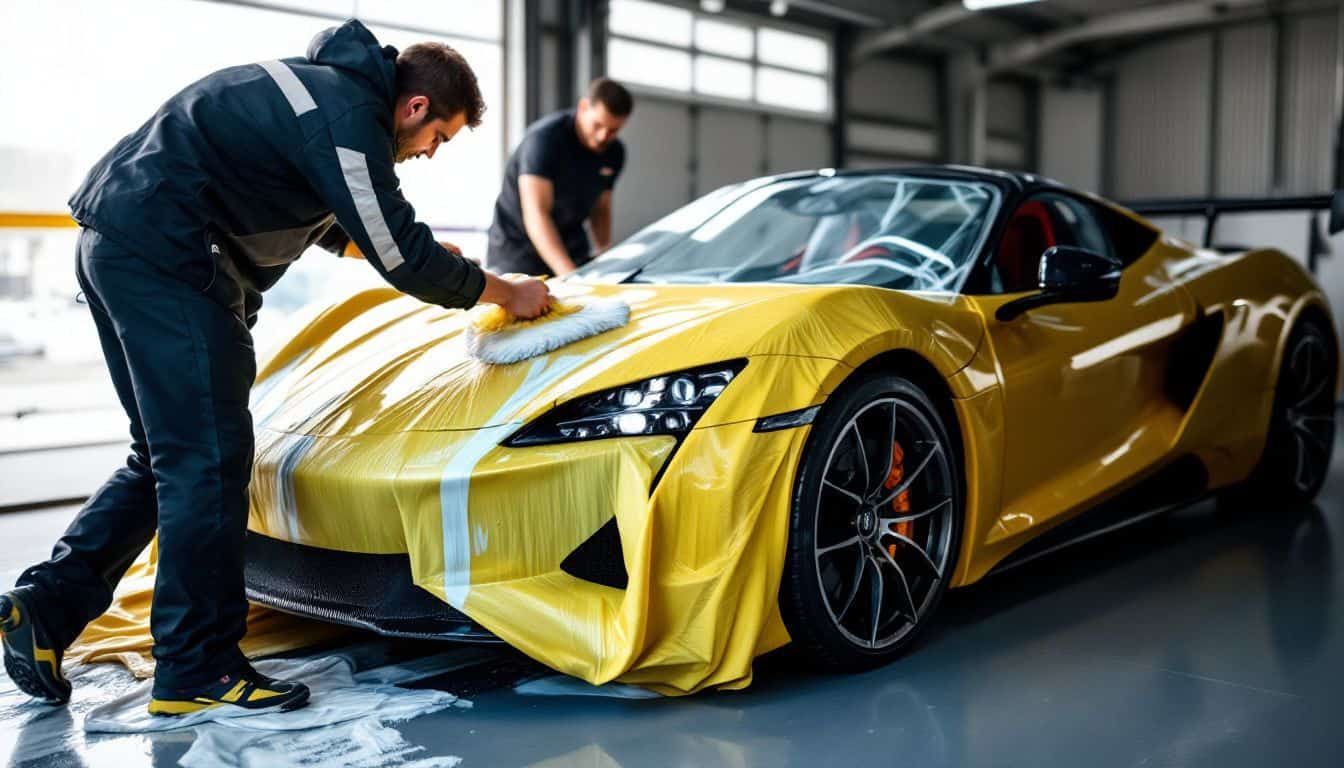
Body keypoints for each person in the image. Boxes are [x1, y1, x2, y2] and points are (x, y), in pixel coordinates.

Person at [0, 20, 549, 716]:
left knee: (167, 455)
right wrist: (507, 290)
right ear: (415, 108)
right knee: (210, 461)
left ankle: (46, 611)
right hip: (173, 255)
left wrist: (407, 248)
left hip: (119, 242)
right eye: (438, 139)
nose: (430, 154)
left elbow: (328, 219)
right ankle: (197, 667)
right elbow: (403, 257)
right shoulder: (350, 116)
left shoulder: (317, 92)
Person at [487, 78, 633, 277]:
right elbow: (537, 214)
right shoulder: (544, 141)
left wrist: (604, 254)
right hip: (519, 252)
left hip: (571, 246)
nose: (603, 136)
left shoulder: (614, 152)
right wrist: (569, 276)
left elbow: (601, 209)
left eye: (613, 130)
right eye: (598, 125)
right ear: (583, 107)